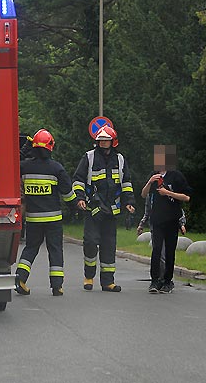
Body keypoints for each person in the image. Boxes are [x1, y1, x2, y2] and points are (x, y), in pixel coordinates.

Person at [73, 125, 135, 292]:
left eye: (106, 141)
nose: (103, 144)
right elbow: (78, 179)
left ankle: (108, 282)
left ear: (112, 142)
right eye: (101, 141)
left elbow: (126, 183)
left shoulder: (120, 159)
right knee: (91, 243)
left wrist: (129, 201)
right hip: (93, 210)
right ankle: (89, 276)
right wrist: (79, 198)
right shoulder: (89, 157)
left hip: (111, 211)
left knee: (109, 246)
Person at [15, 129, 76, 296]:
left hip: (33, 218)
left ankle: (20, 278)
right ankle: (57, 286)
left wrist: (25, 149)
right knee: (55, 250)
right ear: (51, 147)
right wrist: (75, 208)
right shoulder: (57, 168)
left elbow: (14, 163)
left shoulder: (24, 167)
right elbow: (68, 194)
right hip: (53, 219)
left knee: (31, 248)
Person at [141, 144, 192, 294]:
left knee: (170, 251)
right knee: (156, 250)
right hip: (157, 219)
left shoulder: (176, 176)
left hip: (172, 219)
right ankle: (154, 281)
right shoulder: (154, 175)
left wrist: (168, 193)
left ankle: (168, 281)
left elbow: (187, 197)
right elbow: (144, 195)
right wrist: (149, 182)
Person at [137, 190, 186, 279]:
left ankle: (164, 278)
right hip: (155, 226)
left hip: (169, 226)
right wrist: (141, 224)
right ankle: (158, 278)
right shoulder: (150, 195)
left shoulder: (170, 192)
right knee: (158, 252)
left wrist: (181, 224)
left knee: (165, 254)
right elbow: (148, 211)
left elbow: (178, 209)